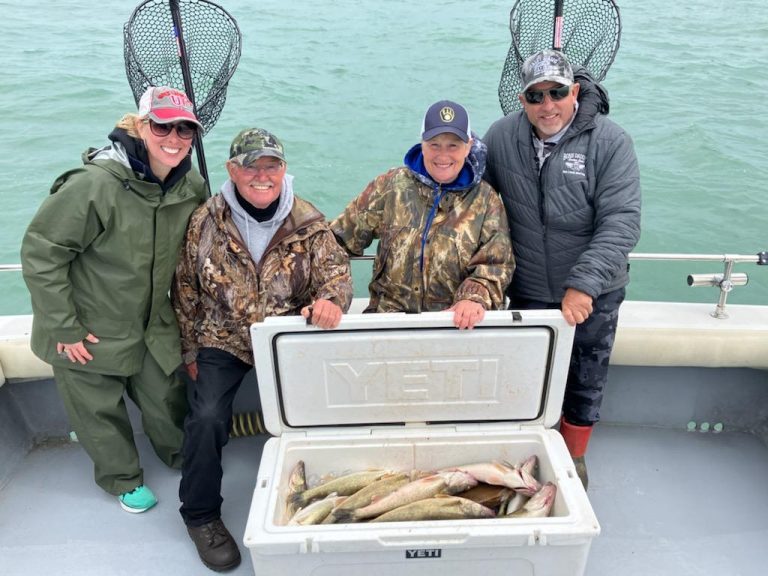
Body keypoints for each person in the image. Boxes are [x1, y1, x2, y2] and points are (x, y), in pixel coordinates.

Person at [172, 127, 353, 571]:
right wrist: (191, 351)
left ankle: (325, 498)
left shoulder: (309, 222)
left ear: (283, 170)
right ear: (233, 171)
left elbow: (338, 277)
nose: (261, 175)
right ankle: (200, 516)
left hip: (287, 338)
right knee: (208, 417)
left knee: (324, 411)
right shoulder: (205, 219)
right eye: (250, 166)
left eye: (271, 166)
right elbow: (186, 290)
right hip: (224, 337)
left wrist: (332, 303)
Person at [20, 86, 208, 512]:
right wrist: (63, 327)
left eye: (185, 129)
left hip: (151, 322)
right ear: (140, 125)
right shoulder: (92, 186)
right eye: (162, 126)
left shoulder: (191, 185)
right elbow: (41, 253)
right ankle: (122, 478)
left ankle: (178, 453)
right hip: (85, 325)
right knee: (98, 413)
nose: (174, 138)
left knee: (166, 399)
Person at [483, 50, 642, 488]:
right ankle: (530, 451)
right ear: (522, 99)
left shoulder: (610, 142)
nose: (547, 105)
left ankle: (575, 456)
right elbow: (472, 198)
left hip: (596, 290)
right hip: (529, 286)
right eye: (536, 96)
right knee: (527, 375)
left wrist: (584, 284)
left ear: (575, 91)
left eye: (557, 93)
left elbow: (622, 220)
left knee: (586, 376)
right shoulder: (499, 138)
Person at [331, 100, 514, 329]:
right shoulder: (390, 186)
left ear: (468, 146)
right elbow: (334, 242)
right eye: (434, 144)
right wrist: (333, 296)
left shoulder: (486, 200)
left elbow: (497, 265)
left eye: (453, 145)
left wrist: (473, 297)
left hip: (455, 326)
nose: (443, 155)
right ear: (422, 144)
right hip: (387, 322)